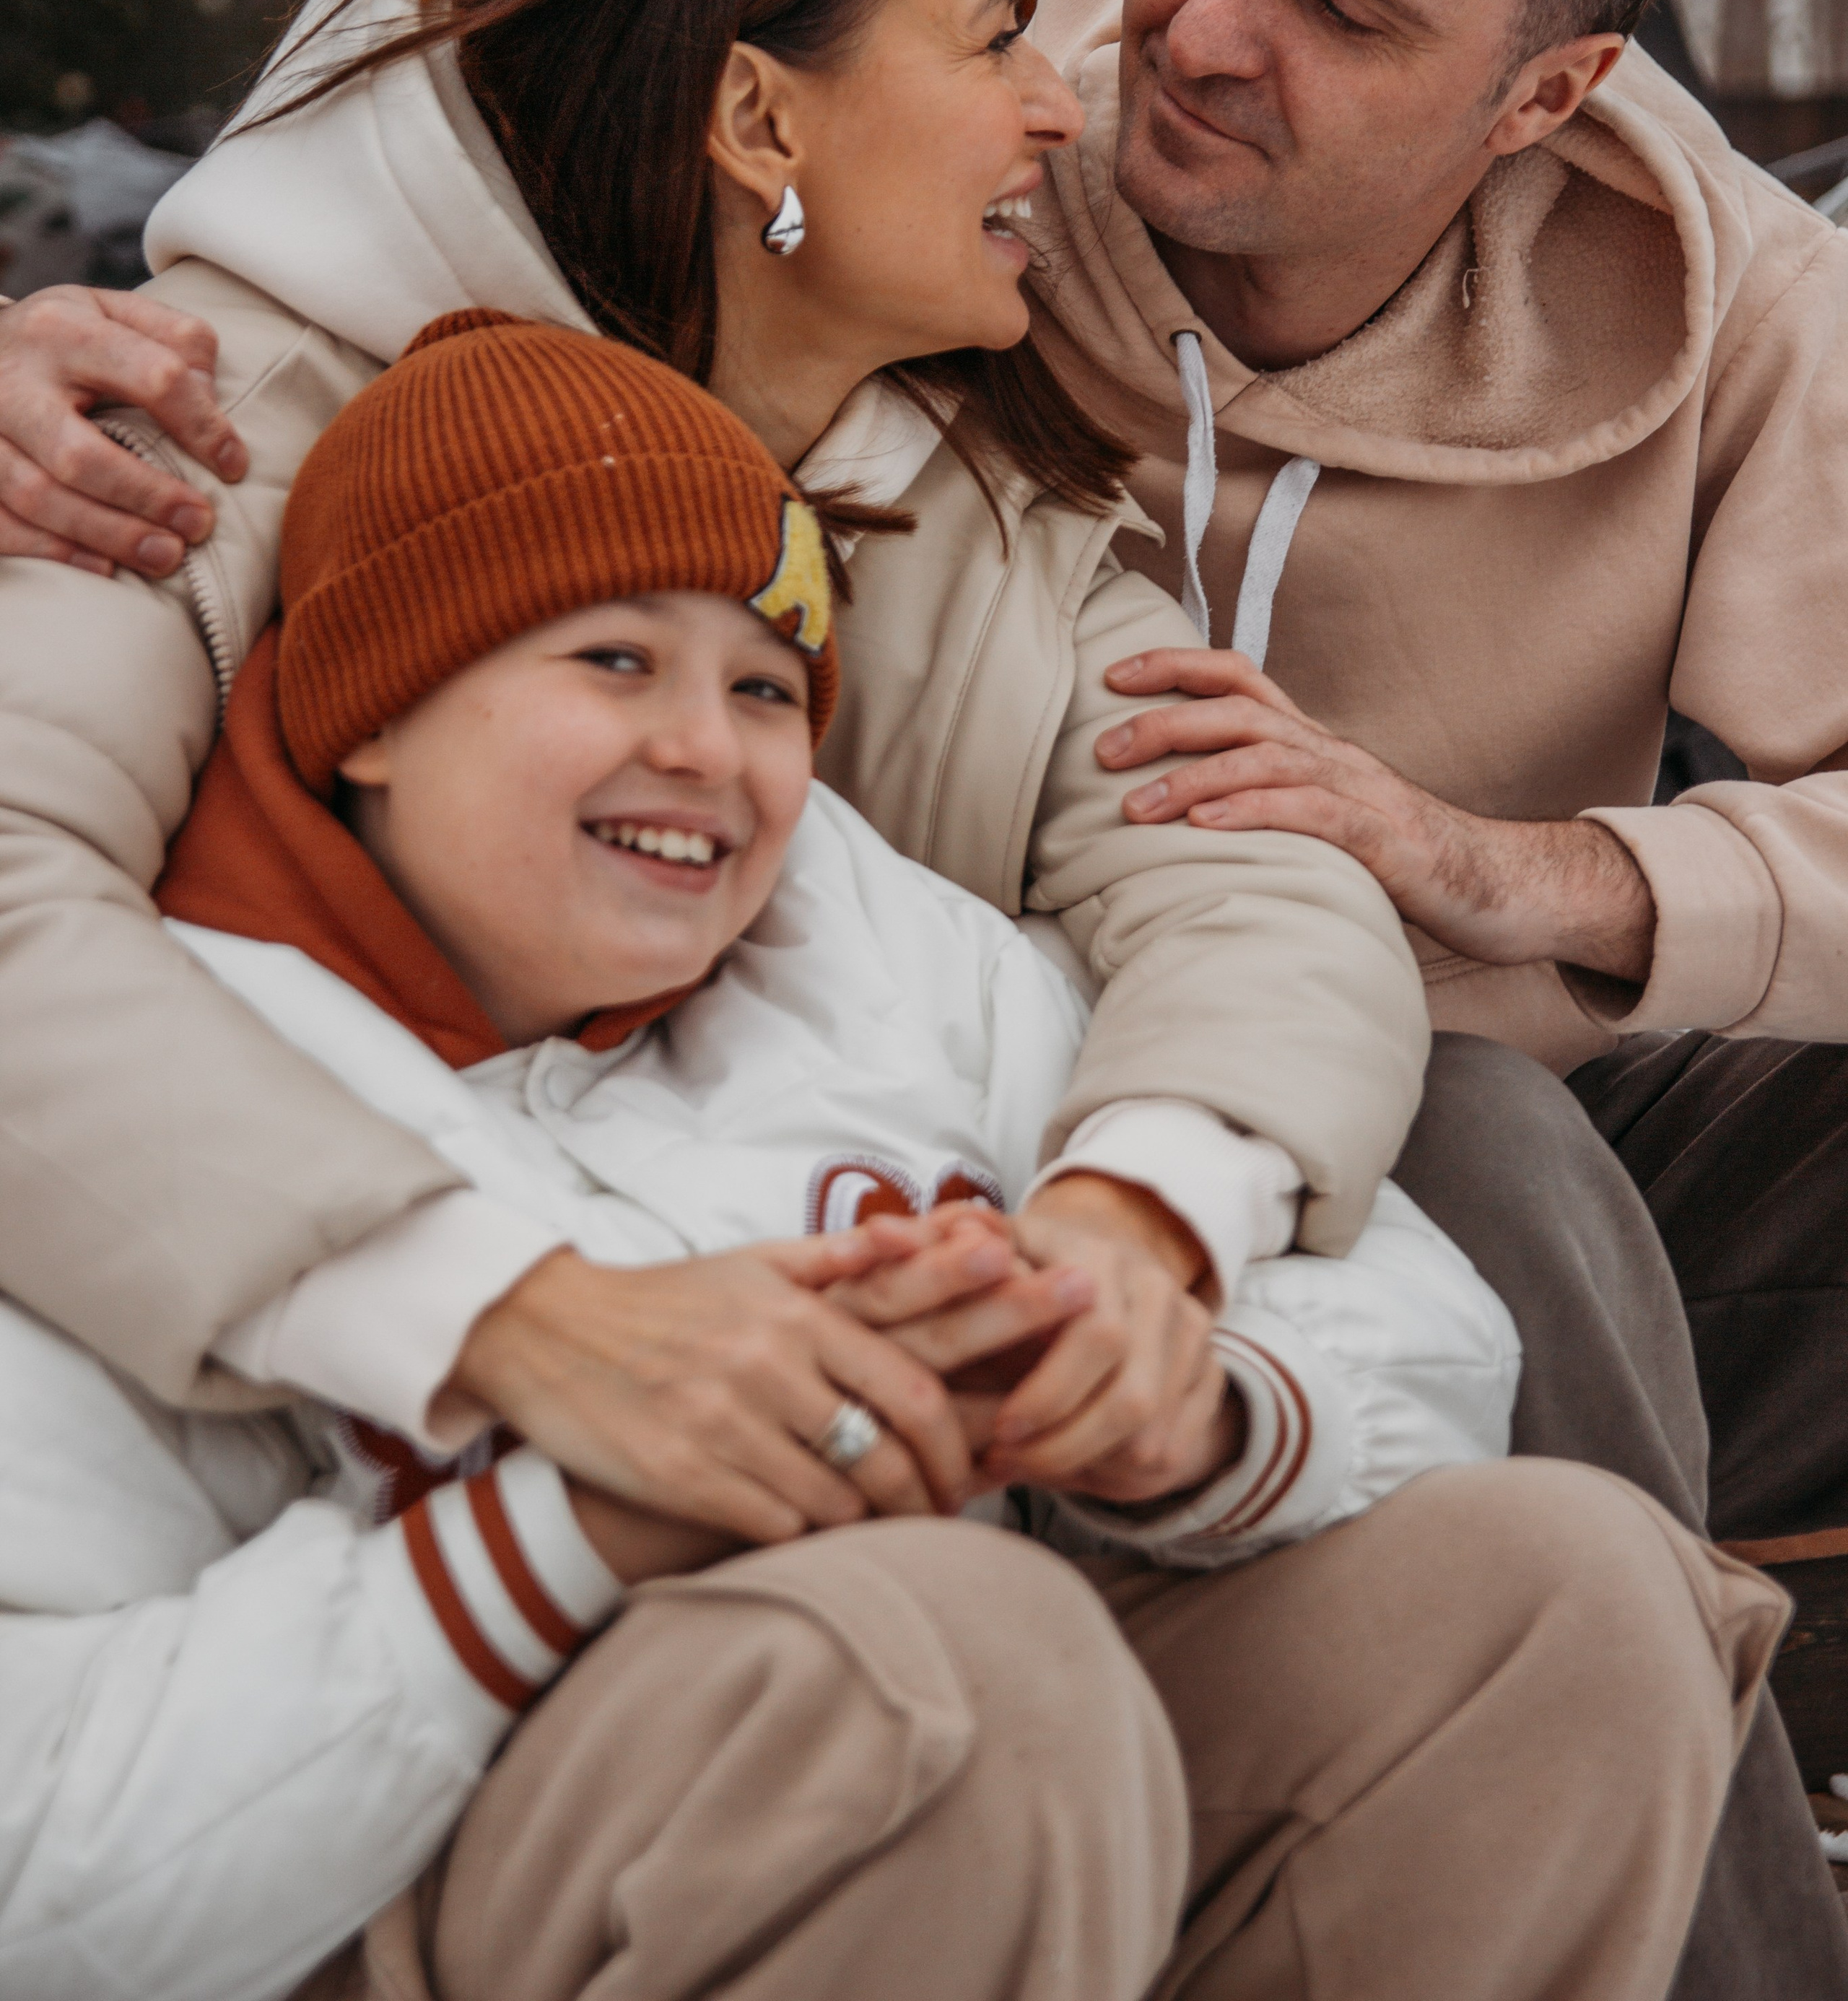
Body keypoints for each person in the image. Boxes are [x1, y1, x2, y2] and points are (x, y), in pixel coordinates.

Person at [1, 0, 1839, 1985]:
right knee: (990, 1636)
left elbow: (1245, 883)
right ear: (759, 122)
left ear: (1541, 90)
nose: (1090, 85)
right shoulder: (171, 431)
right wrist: (506, 1325)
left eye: (1344, 0)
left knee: (1551, 1584)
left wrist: (1133, 1241)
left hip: (907, 1378)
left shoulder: (966, 489)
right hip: (351, 1525)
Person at [0, 301, 1771, 2001]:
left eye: (769, 690)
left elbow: (1430, 1337)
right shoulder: (144, 1098)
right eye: (610, 658)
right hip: (427, 1900)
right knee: (936, 1664)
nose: (705, 750)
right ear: (375, 703)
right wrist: (573, 1525)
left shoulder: (872, 958)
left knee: (1563, 1602)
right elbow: (42, 1870)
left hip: (1016, 1812)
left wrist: (1181, 1397)